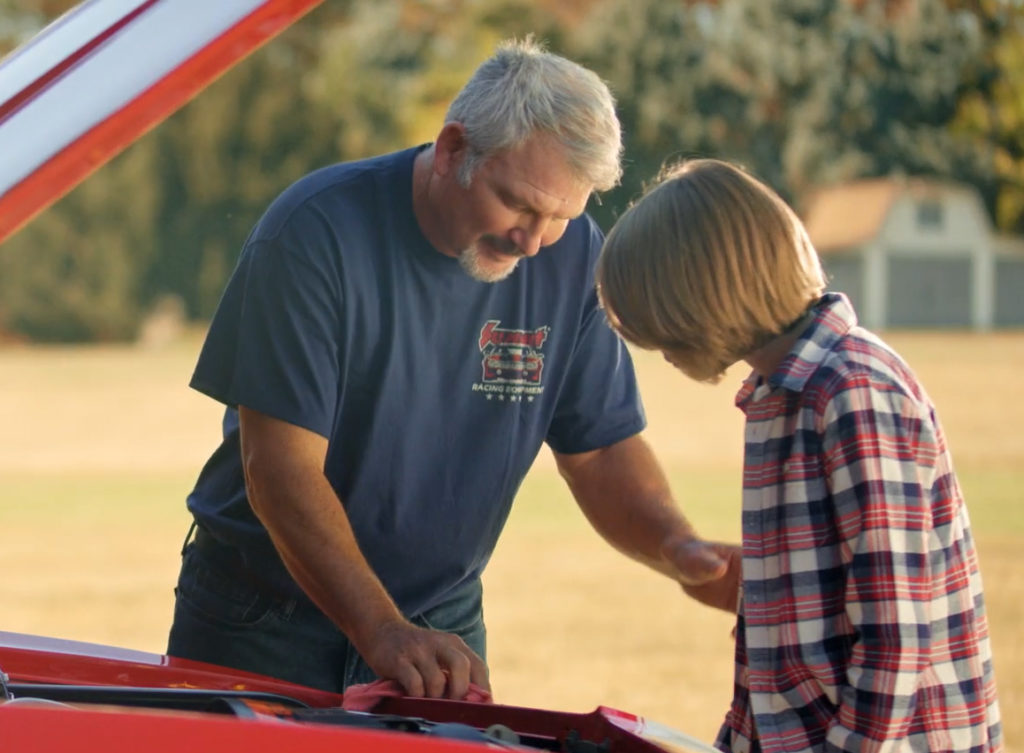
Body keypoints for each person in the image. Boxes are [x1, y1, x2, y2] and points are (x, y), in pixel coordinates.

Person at [167, 38, 738, 701]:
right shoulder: (313, 234)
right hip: (264, 618)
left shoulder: (572, 254)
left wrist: (680, 547)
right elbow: (280, 470)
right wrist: (380, 627)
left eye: (561, 215)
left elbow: (600, 450)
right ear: (452, 149)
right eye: (518, 203)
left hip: (440, 623)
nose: (532, 240)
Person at [596, 158, 1003, 753]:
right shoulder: (779, 394)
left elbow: (895, 636)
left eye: (660, 328)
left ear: (703, 296)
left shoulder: (852, 392)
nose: (657, 350)